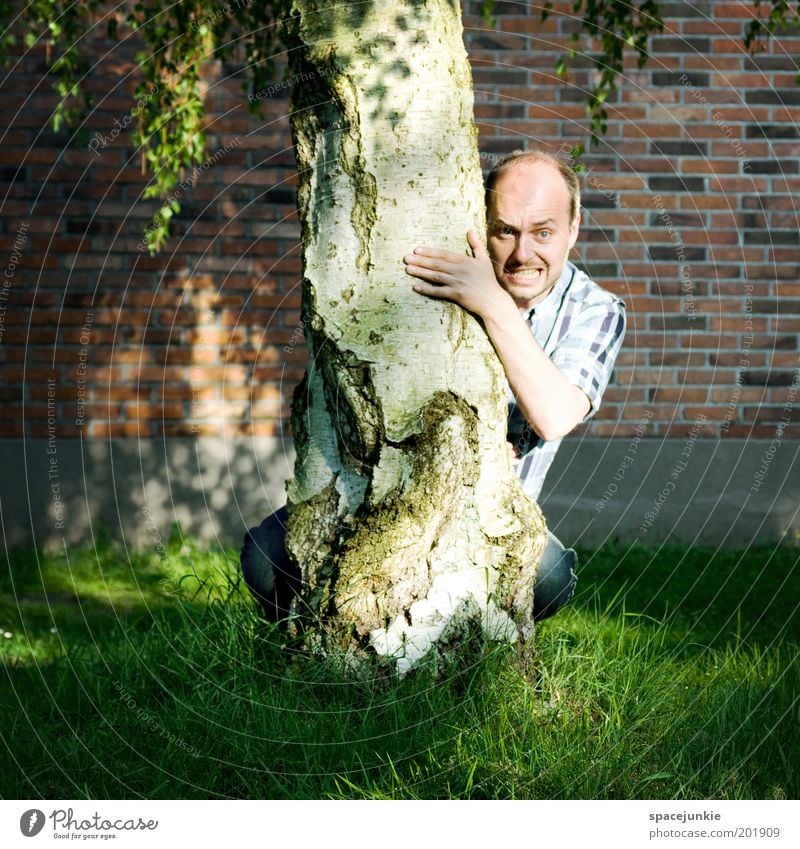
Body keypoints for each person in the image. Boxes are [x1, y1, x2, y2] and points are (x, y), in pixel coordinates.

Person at [241, 149, 625, 624]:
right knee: (264, 558)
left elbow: (554, 414)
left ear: (574, 227)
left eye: (542, 232)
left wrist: (492, 305)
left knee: (550, 579)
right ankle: (308, 655)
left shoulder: (597, 310)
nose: (523, 253)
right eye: (505, 231)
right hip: (380, 488)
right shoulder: (443, 269)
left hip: (488, 517)